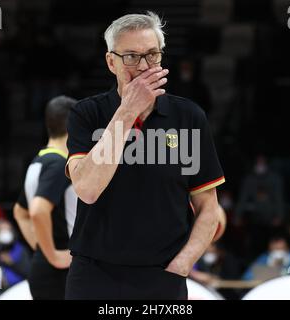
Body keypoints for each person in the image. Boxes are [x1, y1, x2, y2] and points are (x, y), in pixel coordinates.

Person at [65, 12, 226, 300]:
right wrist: (127, 111)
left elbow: (208, 208)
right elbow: (87, 190)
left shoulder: (189, 116)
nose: (142, 66)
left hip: (163, 276)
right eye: (131, 56)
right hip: (94, 275)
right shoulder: (87, 114)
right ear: (110, 62)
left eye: (152, 55)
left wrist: (183, 264)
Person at [14, 96, 78, 300]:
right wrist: (54, 255)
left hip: (45, 268)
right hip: (60, 271)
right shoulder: (59, 165)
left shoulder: (38, 161)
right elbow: (37, 210)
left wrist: (42, 248)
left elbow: (19, 212)